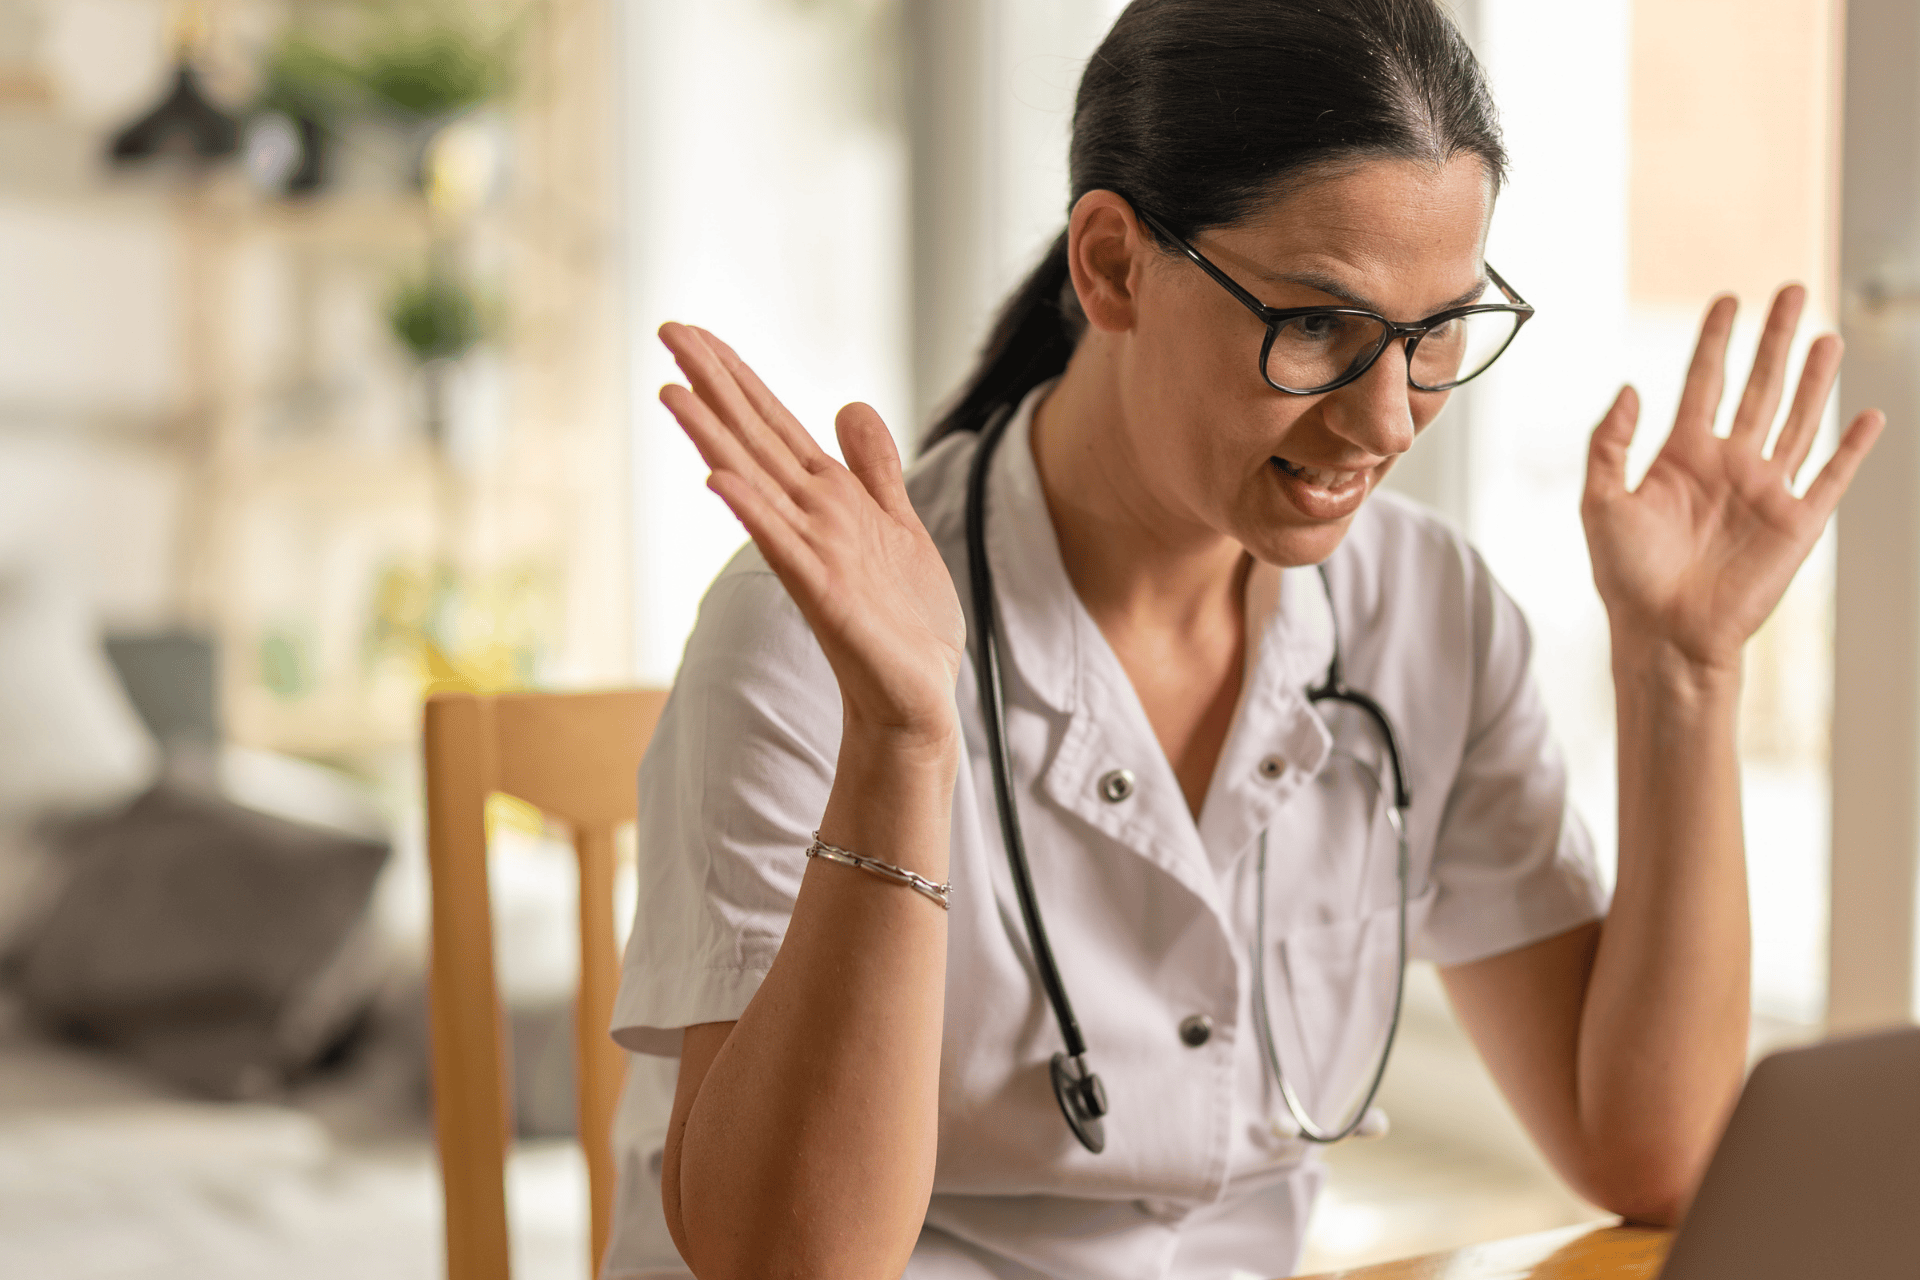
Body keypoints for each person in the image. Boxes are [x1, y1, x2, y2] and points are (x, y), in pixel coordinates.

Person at [600, 1, 1886, 1277]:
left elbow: (1649, 1154)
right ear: (1109, 265)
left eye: (1436, 332)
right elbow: (788, 1266)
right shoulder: (805, 638)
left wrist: (1683, 670)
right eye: (1318, 323)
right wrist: (900, 740)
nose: (1389, 420)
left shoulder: (1425, 611)